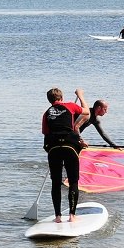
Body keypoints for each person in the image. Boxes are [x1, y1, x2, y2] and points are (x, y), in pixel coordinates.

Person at [41, 87, 90, 223]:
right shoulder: (70, 105)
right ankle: (72, 216)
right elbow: (86, 112)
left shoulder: (46, 113)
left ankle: (57, 217)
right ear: (61, 98)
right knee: (73, 181)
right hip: (70, 147)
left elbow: (46, 133)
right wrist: (80, 95)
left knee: (55, 183)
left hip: (54, 149)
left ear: (49, 100)